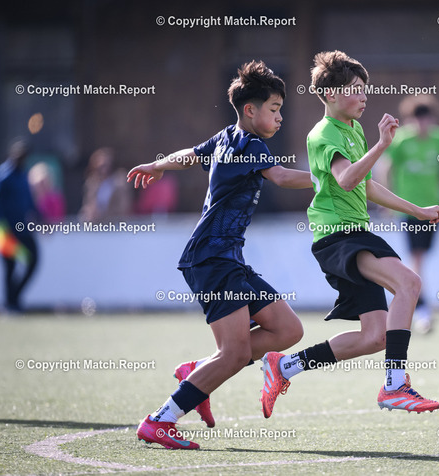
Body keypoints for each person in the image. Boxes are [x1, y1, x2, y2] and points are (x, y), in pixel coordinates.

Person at [128, 61, 310, 449]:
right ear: (251, 110)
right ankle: (160, 420)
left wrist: (159, 164)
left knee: (288, 330)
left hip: (228, 259)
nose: (280, 117)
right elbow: (281, 177)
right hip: (212, 258)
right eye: (275, 108)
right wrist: (334, 179)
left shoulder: (228, 136)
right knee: (235, 353)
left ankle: (198, 371)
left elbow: (190, 154)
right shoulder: (251, 144)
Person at [260, 51, 439, 419]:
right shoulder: (323, 134)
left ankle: (284, 367)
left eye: (365, 89)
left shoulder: (354, 130)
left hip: (352, 233)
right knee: (409, 282)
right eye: (355, 89)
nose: (364, 97)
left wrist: (417, 210)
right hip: (338, 236)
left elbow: (367, 186)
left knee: (375, 337)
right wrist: (382, 146)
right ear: (330, 93)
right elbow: (346, 180)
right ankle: (395, 385)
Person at [381, 95, 439, 333]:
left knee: (422, 257)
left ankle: (413, 304)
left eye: (425, 119)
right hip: (408, 208)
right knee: (417, 257)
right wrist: (386, 201)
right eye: (416, 119)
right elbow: (387, 168)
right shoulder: (401, 140)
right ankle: (422, 311)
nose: (421, 124)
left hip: (434, 209)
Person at [0, 139, 39, 313]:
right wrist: (2, 228)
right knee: (10, 266)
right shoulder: (3, 176)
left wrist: (40, 217)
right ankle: (10, 304)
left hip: (22, 229)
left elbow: (29, 202)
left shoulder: (23, 175)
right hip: (4, 231)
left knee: (33, 259)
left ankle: (14, 298)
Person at [80, 147, 132, 222]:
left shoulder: (120, 181)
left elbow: (124, 206)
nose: (103, 169)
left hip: (116, 222)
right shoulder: (91, 183)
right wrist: (89, 212)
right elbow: (88, 203)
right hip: (97, 224)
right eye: (100, 166)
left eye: (105, 165)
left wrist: (104, 214)